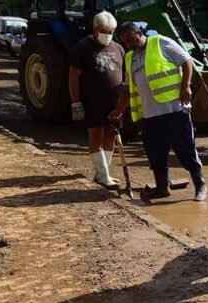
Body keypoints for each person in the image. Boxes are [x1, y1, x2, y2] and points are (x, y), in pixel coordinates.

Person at [111, 22, 207, 202]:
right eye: (126, 43)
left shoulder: (160, 42)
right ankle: (162, 188)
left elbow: (186, 60)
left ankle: (200, 186)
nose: (129, 45)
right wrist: (118, 111)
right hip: (150, 115)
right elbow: (129, 87)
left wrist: (185, 86)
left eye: (131, 40)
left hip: (175, 109)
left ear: (139, 33)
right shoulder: (130, 57)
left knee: (185, 148)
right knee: (155, 152)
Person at [69, 11, 124, 188]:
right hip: (92, 100)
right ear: (95, 29)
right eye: (104, 31)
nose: (107, 35)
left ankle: (104, 172)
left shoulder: (118, 48)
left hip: (113, 101)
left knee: (110, 135)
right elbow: (73, 76)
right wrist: (76, 102)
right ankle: (102, 174)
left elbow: (123, 76)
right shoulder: (83, 46)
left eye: (110, 32)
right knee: (96, 135)